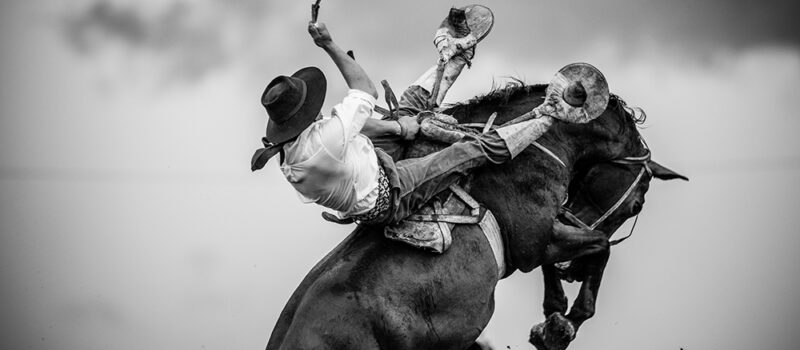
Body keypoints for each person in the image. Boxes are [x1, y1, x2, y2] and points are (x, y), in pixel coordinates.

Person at [251, 7, 589, 226]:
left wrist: (399, 126)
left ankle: (450, 57)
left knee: (405, 109)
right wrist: (327, 44)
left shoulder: (298, 151)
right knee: (464, 152)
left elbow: (352, 128)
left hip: (361, 170)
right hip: (389, 194)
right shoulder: (324, 140)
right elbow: (364, 89)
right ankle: (549, 113)